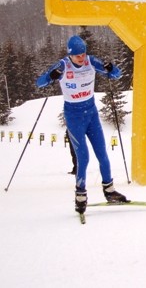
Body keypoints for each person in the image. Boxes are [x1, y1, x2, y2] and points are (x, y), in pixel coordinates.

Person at [36, 35, 128, 214]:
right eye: (78, 55)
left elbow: (117, 75)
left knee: (102, 153)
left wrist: (111, 68)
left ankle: (110, 192)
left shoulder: (91, 62)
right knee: (83, 157)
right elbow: (39, 83)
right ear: (70, 54)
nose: (82, 58)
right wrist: (50, 77)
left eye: (83, 53)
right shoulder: (63, 65)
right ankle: (80, 195)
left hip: (91, 113)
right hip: (74, 116)